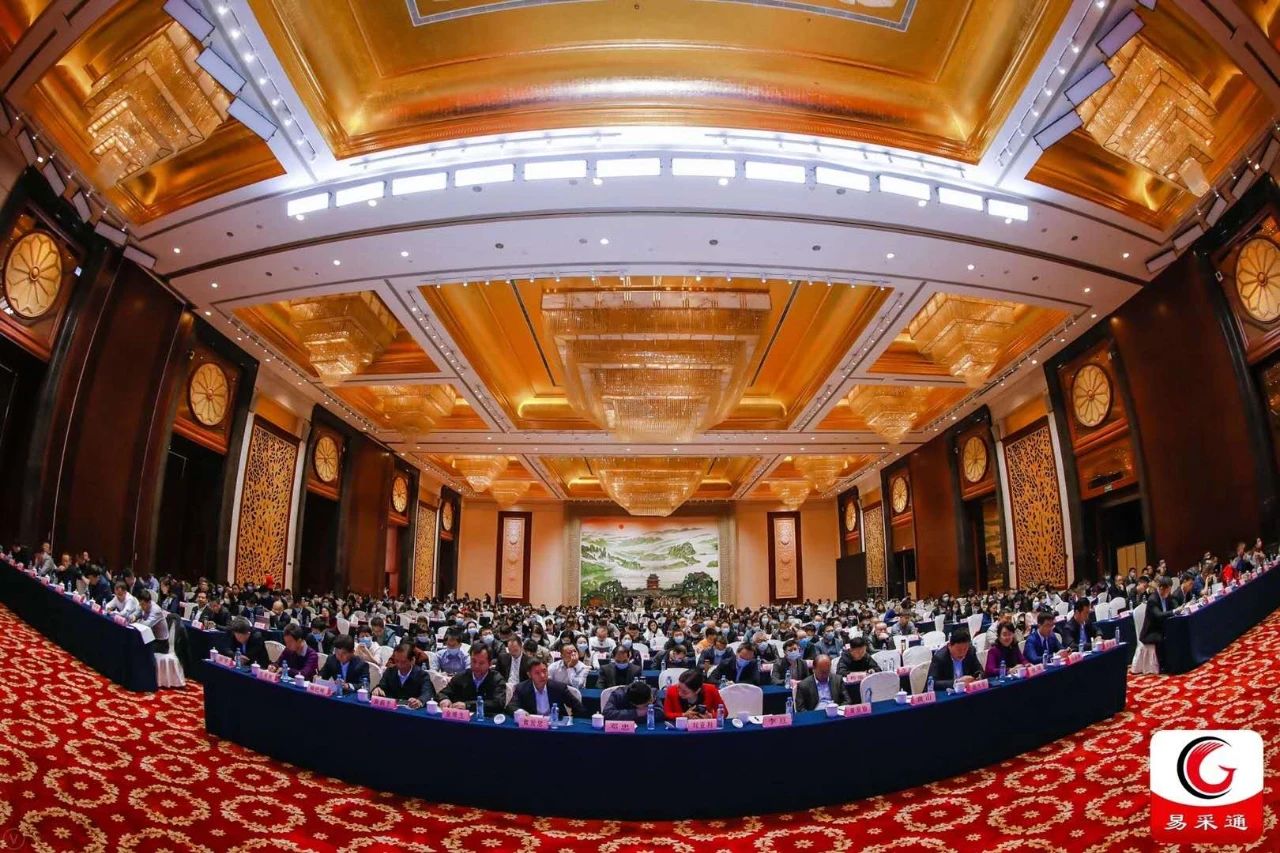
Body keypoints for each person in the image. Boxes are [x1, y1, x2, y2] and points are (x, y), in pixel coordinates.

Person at [439, 644, 507, 712]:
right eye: (473, 661)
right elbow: (443, 693)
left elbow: (498, 704)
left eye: (481, 663)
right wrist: (444, 699)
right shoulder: (461, 676)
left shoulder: (497, 679)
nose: (476, 666)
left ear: (490, 664)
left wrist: (468, 705)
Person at [507, 659, 583, 718]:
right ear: (529, 675)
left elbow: (578, 707)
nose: (542, 675)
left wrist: (572, 720)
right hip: (533, 727)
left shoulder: (559, 688)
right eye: (537, 673)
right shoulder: (521, 688)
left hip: (555, 726)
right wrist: (520, 712)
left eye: (544, 671)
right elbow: (511, 706)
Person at [371, 643, 434, 709]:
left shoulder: (421, 675)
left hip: (411, 711)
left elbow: (427, 693)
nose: (399, 665)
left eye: (403, 662)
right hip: (391, 710)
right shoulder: (390, 671)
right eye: (396, 661)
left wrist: (419, 701)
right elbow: (381, 686)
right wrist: (377, 689)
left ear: (412, 660)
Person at [1141, 576, 1177, 672]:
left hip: (1162, 627)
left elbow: (1174, 605)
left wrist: (1179, 608)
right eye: (1167, 590)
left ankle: (1174, 661)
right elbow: (1159, 615)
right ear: (1161, 588)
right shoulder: (1153, 599)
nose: (1169, 593)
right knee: (1164, 638)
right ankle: (1163, 665)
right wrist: (1174, 611)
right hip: (1151, 631)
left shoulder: (1167, 596)